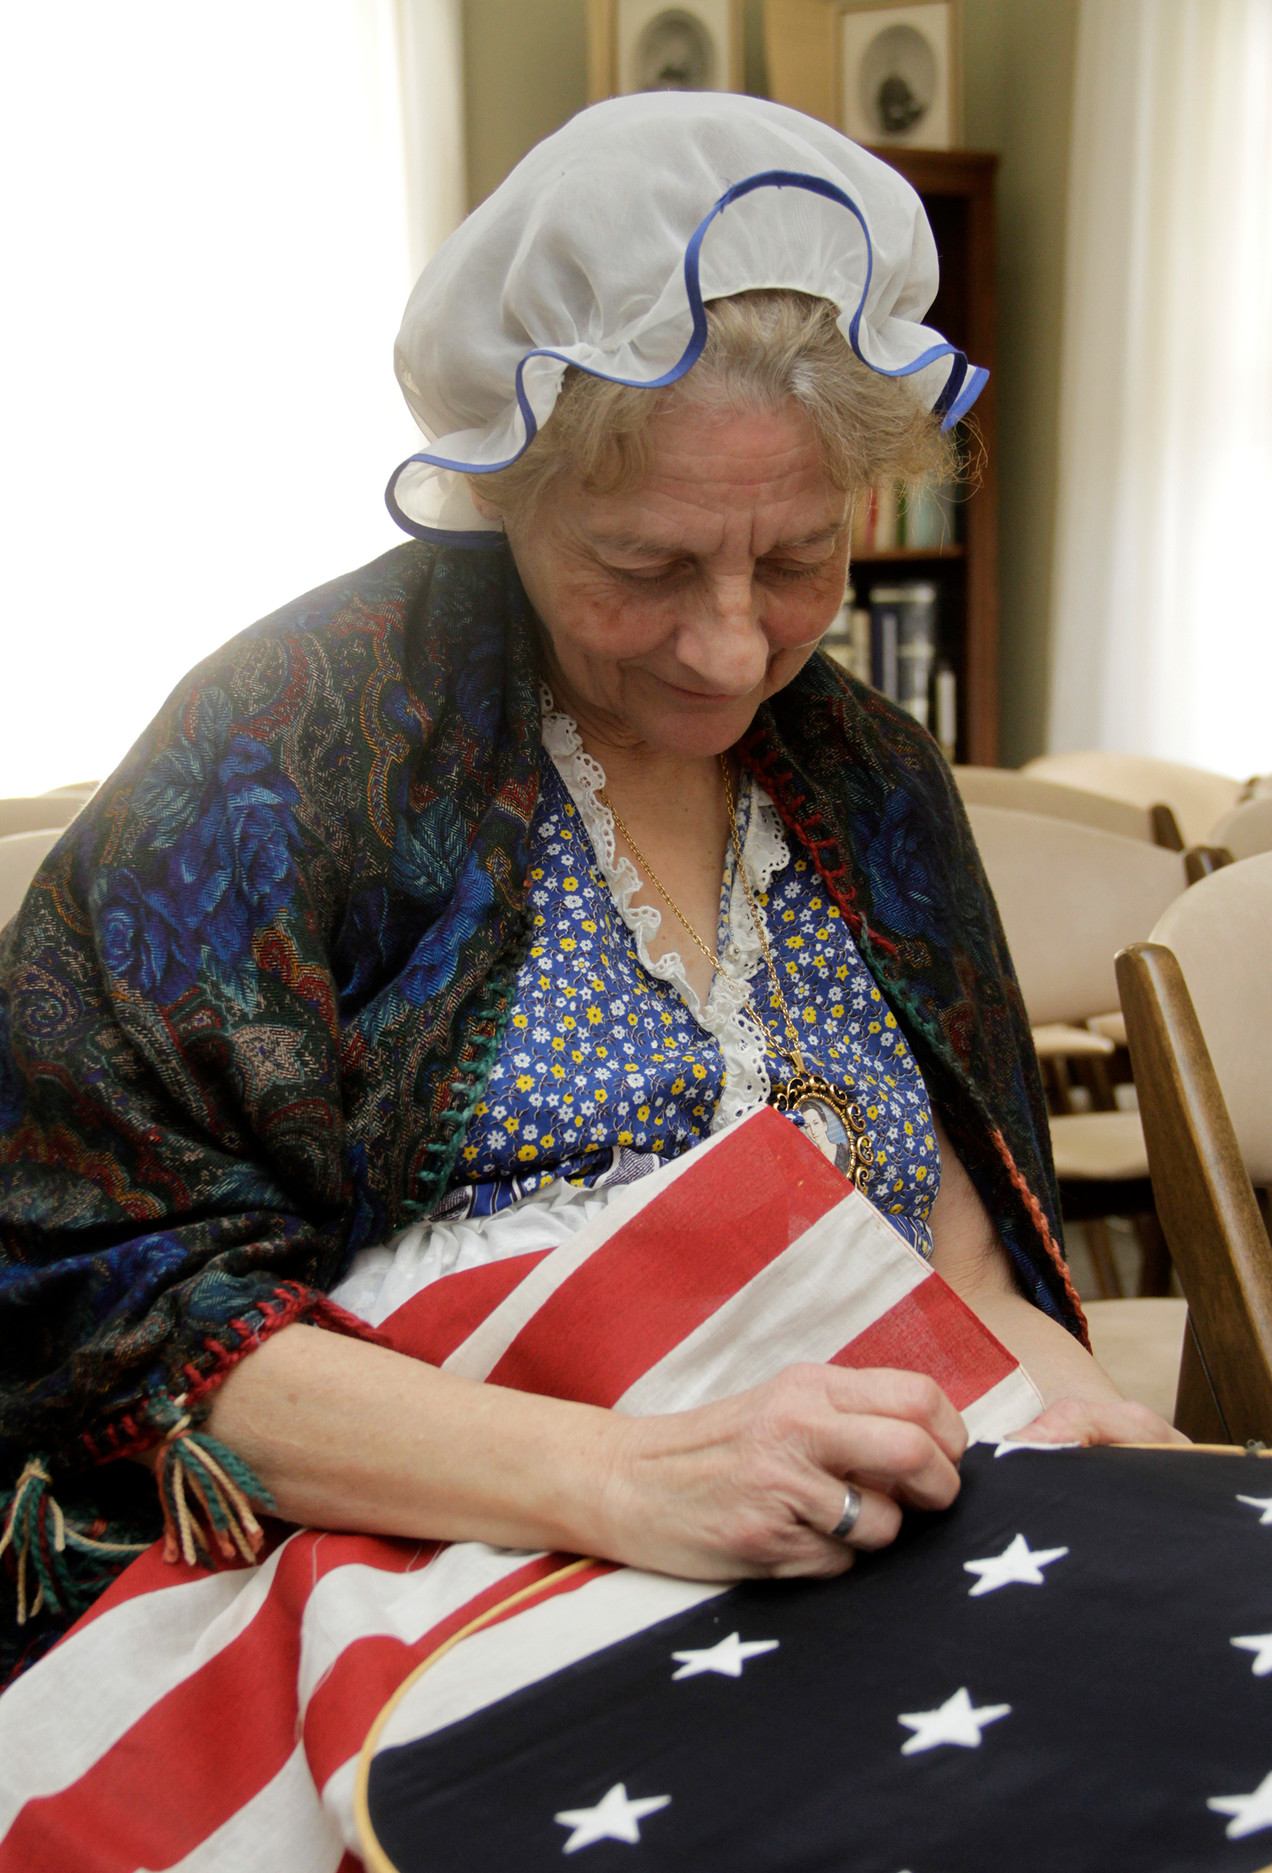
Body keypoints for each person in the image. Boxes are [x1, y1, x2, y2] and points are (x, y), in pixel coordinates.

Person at [0, 93, 1174, 1687]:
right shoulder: (289, 752)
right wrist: (627, 1478)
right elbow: (102, 1314)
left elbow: (960, 1274)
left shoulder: (869, 778)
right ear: (504, 492)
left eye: (800, 558)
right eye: (642, 569)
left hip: (858, 1547)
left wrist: (1088, 1427)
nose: (732, 646)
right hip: (416, 1576)